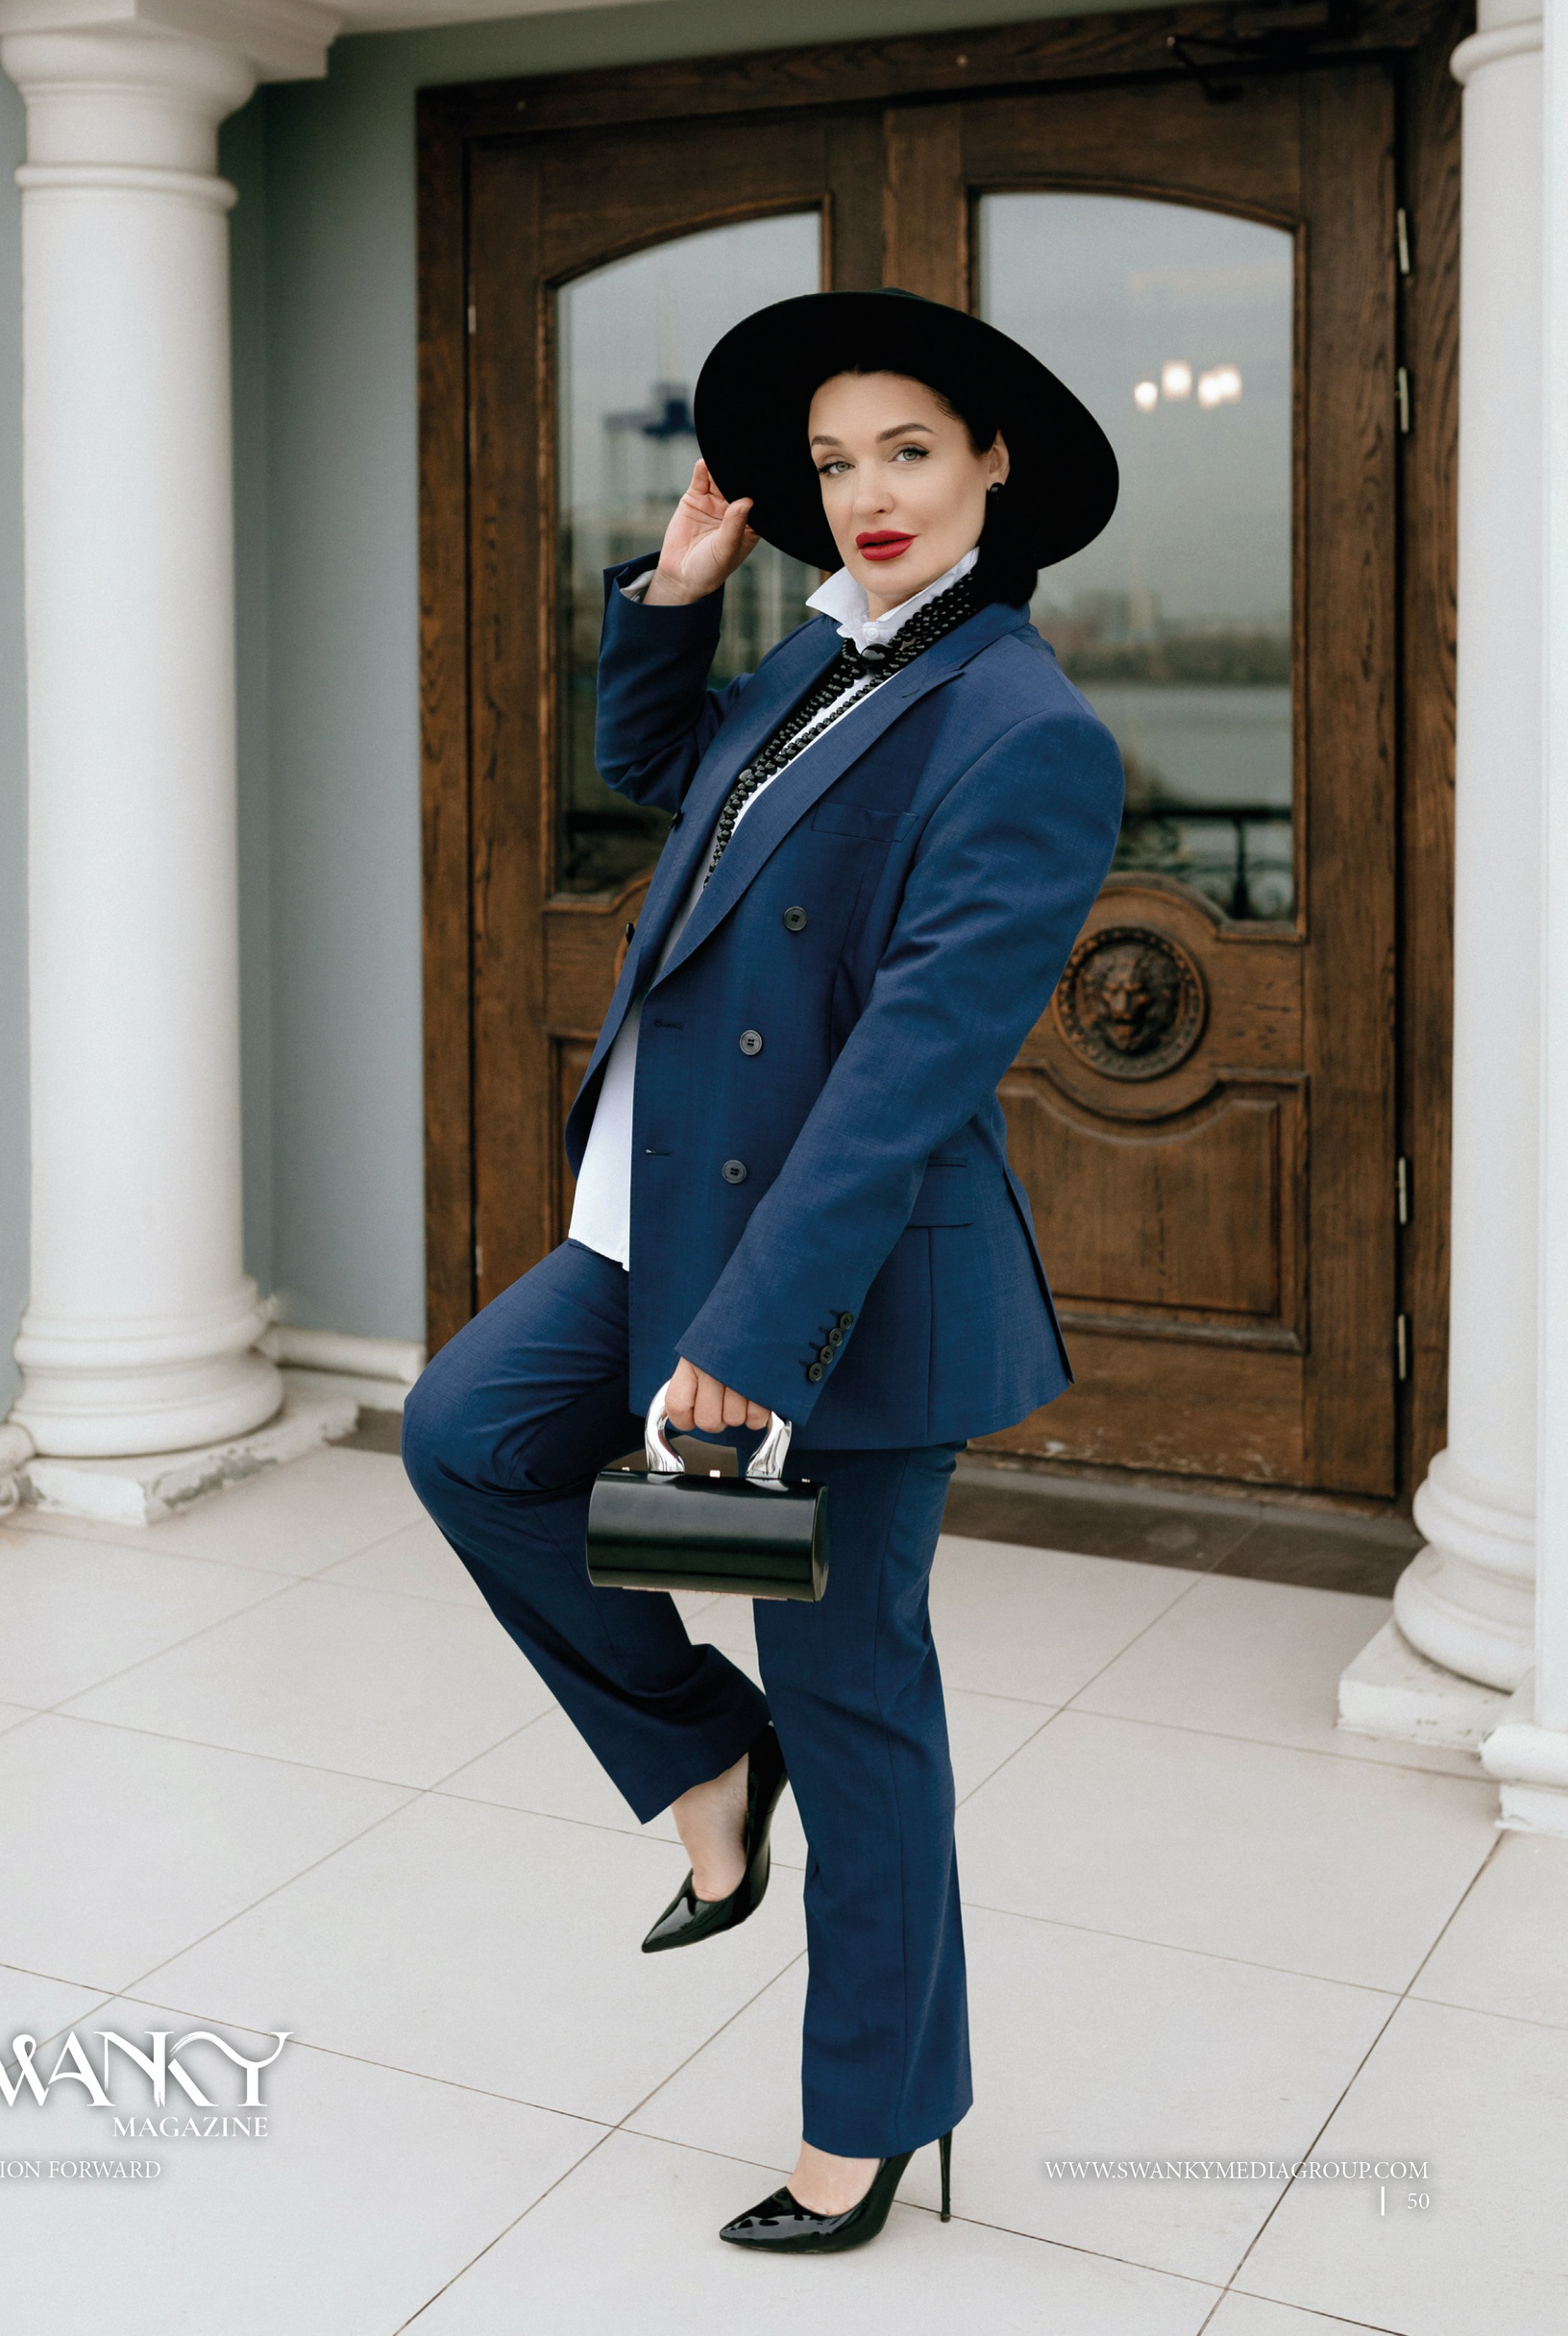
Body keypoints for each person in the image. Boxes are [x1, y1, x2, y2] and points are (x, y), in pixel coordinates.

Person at [404, 286, 1123, 2254]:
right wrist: (678, 590)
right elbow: (664, 766)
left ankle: (869, 2119)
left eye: (909, 450)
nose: (868, 493)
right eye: (832, 461)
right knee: (468, 1436)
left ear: (993, 462)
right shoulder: (820, 649)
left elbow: (907, 1073)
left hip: (839, 1272)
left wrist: (755, 1335)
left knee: (855, 1684)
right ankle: (708, 1754)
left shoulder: (1026, 728)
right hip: (660, 1215)